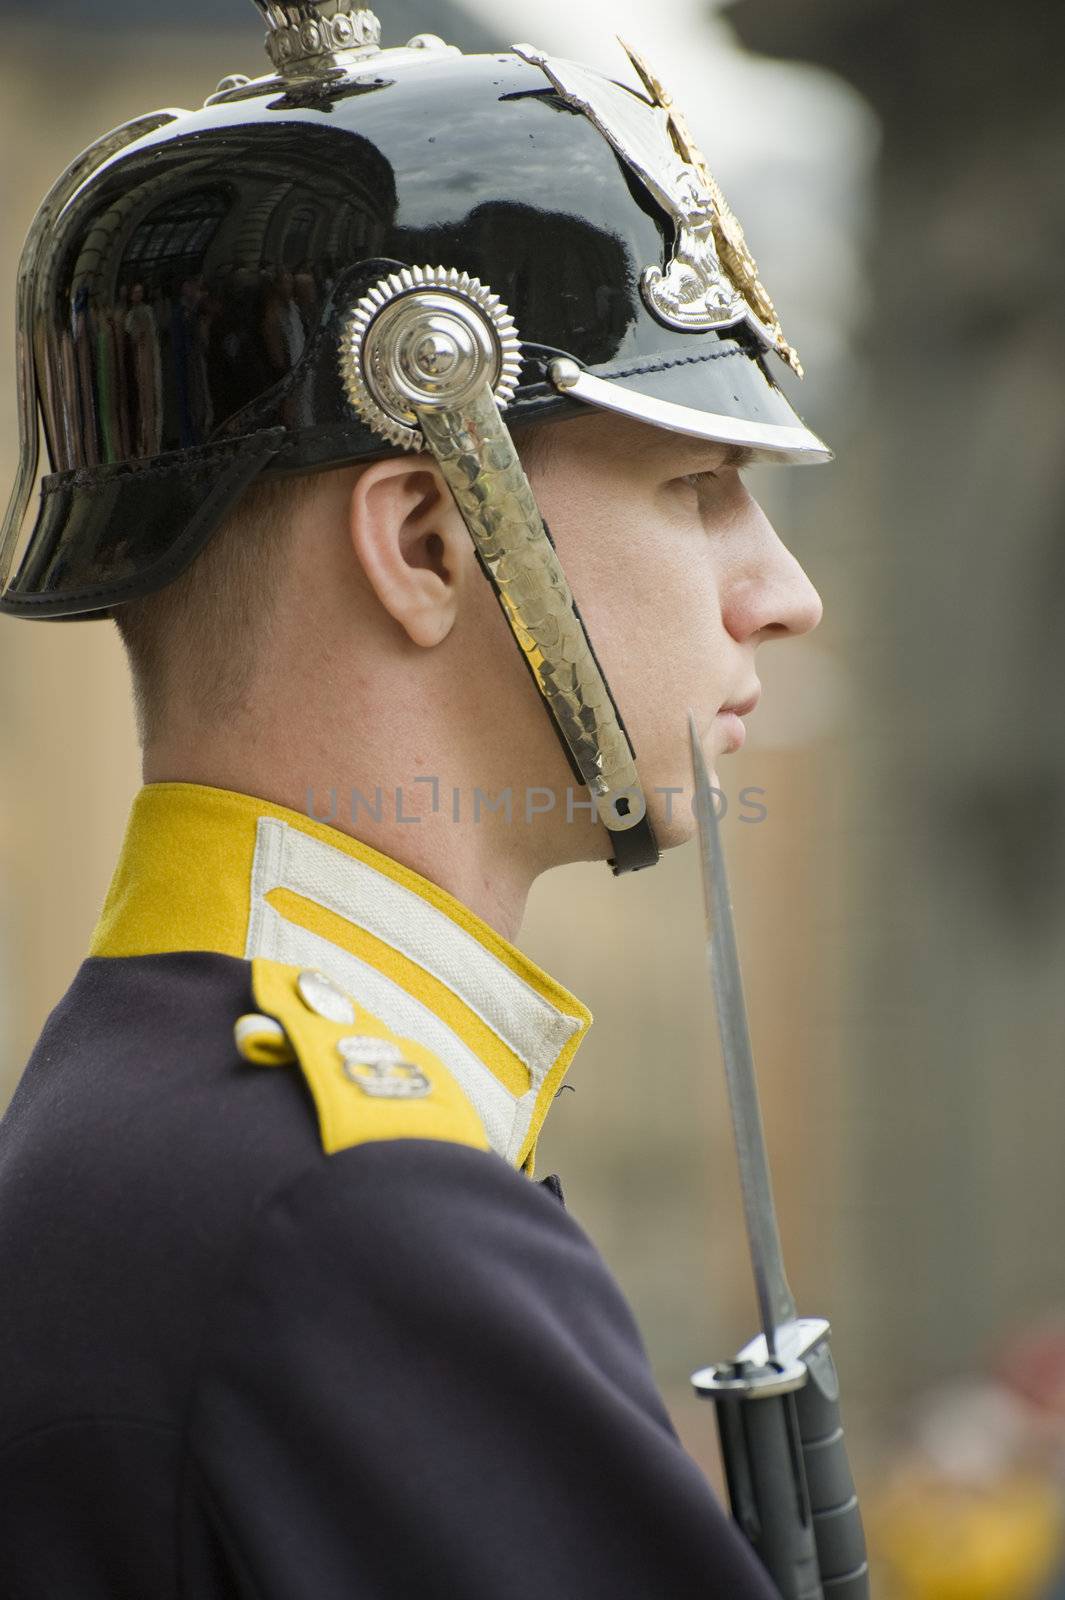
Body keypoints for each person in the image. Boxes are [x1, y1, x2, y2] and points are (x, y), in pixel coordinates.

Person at [0, 5, 830, 1595]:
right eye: (694, 490)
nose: (779, 594)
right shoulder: (349, 1214)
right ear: (431, 545)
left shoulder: (173, 1120)